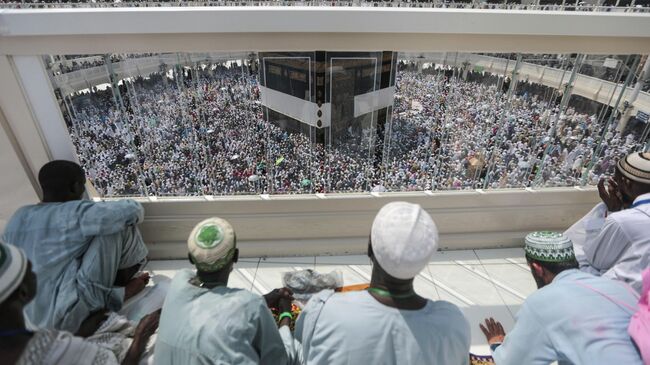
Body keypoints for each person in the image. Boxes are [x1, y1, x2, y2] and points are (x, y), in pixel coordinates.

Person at [292, 201, 471, 365]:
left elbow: (303, 351)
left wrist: (285, 318)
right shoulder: (452, 325)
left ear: (370, 248)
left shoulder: (324, 310)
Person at [1, 160, 150, 333]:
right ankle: (118, 293)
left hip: (24, 318)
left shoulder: (18, 216)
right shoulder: (75, 212)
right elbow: (132, 211)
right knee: (116, 226)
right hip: (65, 319)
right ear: (75, 187)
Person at [481, 231, 642, 365]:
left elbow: (510, 363)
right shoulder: (621, 288)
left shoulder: (542, 302)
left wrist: (497, 344)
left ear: (537, 268)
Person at [154, 217, 296, 365]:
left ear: (191, 258)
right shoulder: (251, 305)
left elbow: (210, 304)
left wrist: (264, 300)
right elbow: (281, 360)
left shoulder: (178, 284)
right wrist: (285, 314)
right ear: (235, 256)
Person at [0, 241, 160, 365]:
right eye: (30, 271)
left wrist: (82, 331)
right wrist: (141, 337)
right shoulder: (66, 354)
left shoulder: (25, 337)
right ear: (23, 293)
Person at [565, 152, 650, 292]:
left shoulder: (621, 220)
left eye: (615, 180)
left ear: (627, 183)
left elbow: (593, 259)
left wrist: (610, 213)